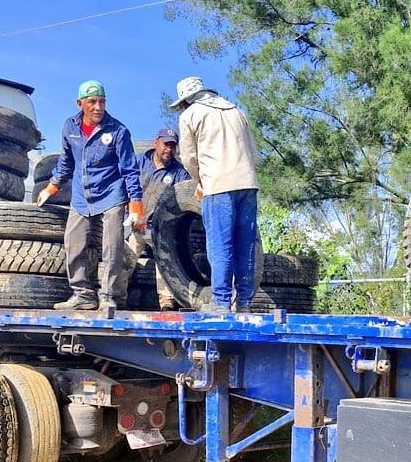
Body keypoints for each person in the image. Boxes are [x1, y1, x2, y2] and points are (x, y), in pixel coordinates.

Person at [38, 80, 145, 312]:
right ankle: (83, 294)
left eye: (102, 102)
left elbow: (129, 170)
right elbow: (66, 163)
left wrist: (136, 203)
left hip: (112, 194)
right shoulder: (70, 127)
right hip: (81, 196)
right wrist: (52, 186)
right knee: (74, 244)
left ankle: (108, 296)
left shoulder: (118, 131)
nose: (98, 107)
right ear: (80, 104)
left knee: (112, 247)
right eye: (92, 102)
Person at [171, 76, 260, 314]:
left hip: (217, 185)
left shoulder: (190, 115)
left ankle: (221, 302)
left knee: (220, 245)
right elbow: (254, 153)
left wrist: (201, 179)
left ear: (186, 100)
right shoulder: (236, 111)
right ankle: (244, 303)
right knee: (246, 244)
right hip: (248, 183)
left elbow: (189, 157)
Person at [120, 127, 189, 311]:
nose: (169, 149)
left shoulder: (179, 172)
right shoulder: (139, 162)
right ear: (156, 143)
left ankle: (166, 303)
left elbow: (185, 197)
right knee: (123, 261)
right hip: (133, 224)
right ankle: (118, 299)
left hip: (160, 228)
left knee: (165, 264)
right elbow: (124, 184)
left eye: (173, 146)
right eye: (166, 144)